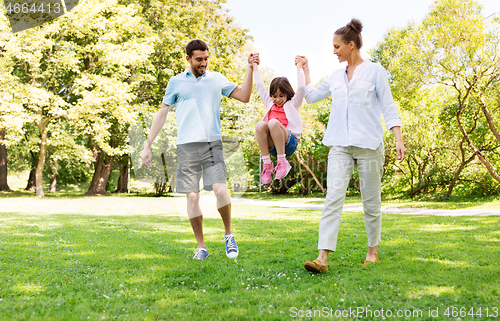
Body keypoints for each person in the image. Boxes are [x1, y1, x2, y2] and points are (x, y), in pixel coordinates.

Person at [299, 19, 407, 273]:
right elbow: (312, 96)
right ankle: (322, 258)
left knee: (371, 200)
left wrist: (398, 138)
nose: (334, 51)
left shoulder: (375, 71)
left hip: (369, 145)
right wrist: (305, 70)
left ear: (351, 45)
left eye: (337, 46)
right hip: (340, 145)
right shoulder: (336, 76)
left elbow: (389, 107)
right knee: (332, 199)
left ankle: (372, 252)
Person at [141, 40, 258, 260]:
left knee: (220, 190)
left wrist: (250, 69)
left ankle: (228, 234)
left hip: (212, 143)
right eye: (199, 60)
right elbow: (162, 113)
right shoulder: (176, 82)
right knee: (192, 197)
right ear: (188, 59)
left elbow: (244, 96)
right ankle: (201, 246)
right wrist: (148, 145)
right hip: (186, 146)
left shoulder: (216, 79)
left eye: (206, 59)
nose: (203, 63)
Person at [252, 54, 306, 184]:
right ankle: (267, 164)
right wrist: (254, 66)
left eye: (281, 95)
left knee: (272, 122)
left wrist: (299, 67)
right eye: (274, 96)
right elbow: (259, 86)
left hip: (289, 143)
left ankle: (283, 162)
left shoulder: (293, 103)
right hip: (273, 147)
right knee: (260, 125)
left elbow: (302, 88)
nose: (278, 99)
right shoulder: (270, 103)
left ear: (287, 93)